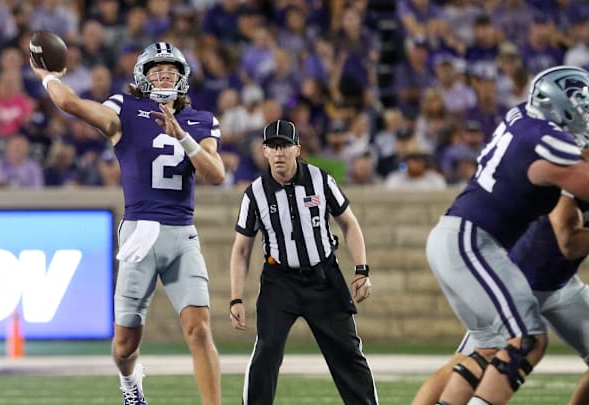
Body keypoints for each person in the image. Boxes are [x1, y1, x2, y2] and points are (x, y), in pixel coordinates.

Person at [30, 41, 224, 405]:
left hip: (183, 234)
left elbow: (215, 174)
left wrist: (182, 136)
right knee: (124, 345)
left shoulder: (200, 120)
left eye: (171, 71)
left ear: (184, 78)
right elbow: (73, 105)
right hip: (141, 233)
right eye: (156, 71)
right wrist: (47, 78)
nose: (164, 76)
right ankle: (130, 381)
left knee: (199, 329)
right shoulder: (125, 108)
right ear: (141, 77)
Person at [424, 65, 589, 405]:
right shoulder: (553, 146)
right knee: (525, 341)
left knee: (486, 349)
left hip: (474, 240)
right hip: (479, 245)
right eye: (584, 108)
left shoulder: (527, 119)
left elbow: (588, 164)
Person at [229, 119, 378, 405]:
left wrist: (361, 270)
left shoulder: (321, 180)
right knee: (267, 351)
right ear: (264, 151)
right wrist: (236, 298)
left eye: (284, 145)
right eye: (273, 147)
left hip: (324, 277)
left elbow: (349, 223)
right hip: (279, 280)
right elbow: (241, 250)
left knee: (347, 352)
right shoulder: (255, 193)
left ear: (297, 149)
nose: (279, 152)